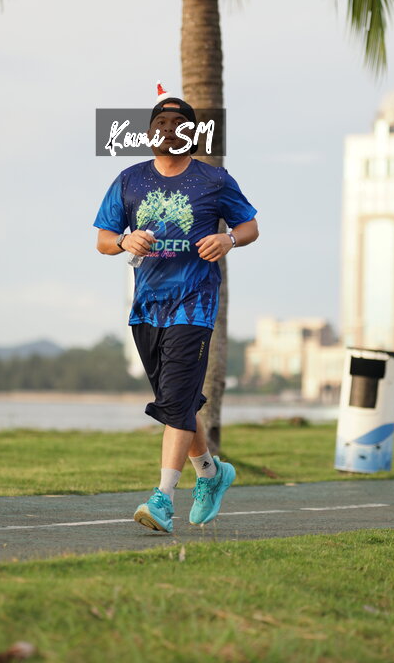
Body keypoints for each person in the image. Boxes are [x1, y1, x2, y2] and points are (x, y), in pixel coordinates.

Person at [93, 89, 259, 533]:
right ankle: (210, 473)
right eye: (160, 125)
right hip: (147, 308)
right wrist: (124, 240)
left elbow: (249, 225)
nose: (168, 131)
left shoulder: (214, 180)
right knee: (177, 403)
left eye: (178, 125)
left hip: (195, 304)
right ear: (149, 134)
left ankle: (162, 498)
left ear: (193, 134)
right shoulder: (129, 180)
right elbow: (103, 240)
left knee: (175, 400)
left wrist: (229, 239)